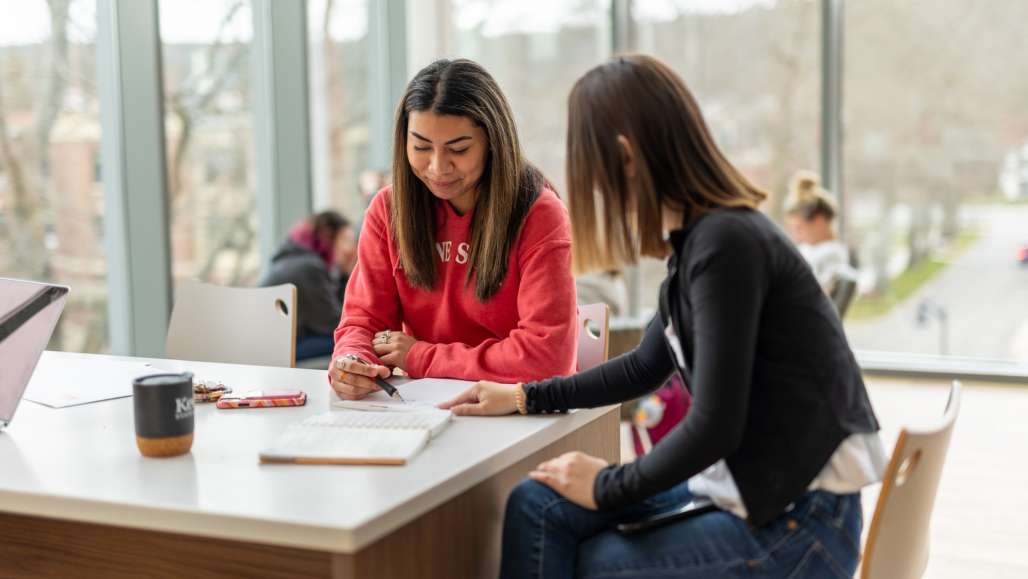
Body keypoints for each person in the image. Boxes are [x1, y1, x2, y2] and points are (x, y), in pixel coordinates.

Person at [439, 54, 886, 579]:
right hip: (755, 486)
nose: (598, 192)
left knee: (594, 562)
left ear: (625, 158)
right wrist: (523, 396)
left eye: (593, 170)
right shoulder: (697, 244)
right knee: (538, 504)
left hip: (801, 521)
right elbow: (644, 367)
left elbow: (715, 425)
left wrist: (608, 485)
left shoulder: (726, 244)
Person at [329, 58, 577, 400]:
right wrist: (352, 360)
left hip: (515, 410)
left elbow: (548, 359)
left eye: (459, 149)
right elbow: (363, 321)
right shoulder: (388, 211)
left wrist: (420, 356)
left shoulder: (539, 214)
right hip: (425, 404)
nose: (437, 167)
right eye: (420, 147)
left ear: (493, 142)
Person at [259, 211, 356, 361]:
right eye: (346, 240)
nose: (351, 249)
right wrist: (350, 275)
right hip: (282, 350)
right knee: (356, 341)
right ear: (328, 237)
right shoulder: (309, 268)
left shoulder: (294, 260)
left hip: (273, 346)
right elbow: (334, 324)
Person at [785, 170, 855, 292]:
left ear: (819, 221)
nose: (796, 237)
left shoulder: (830, 255)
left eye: (799, 228)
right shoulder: (808, 251)